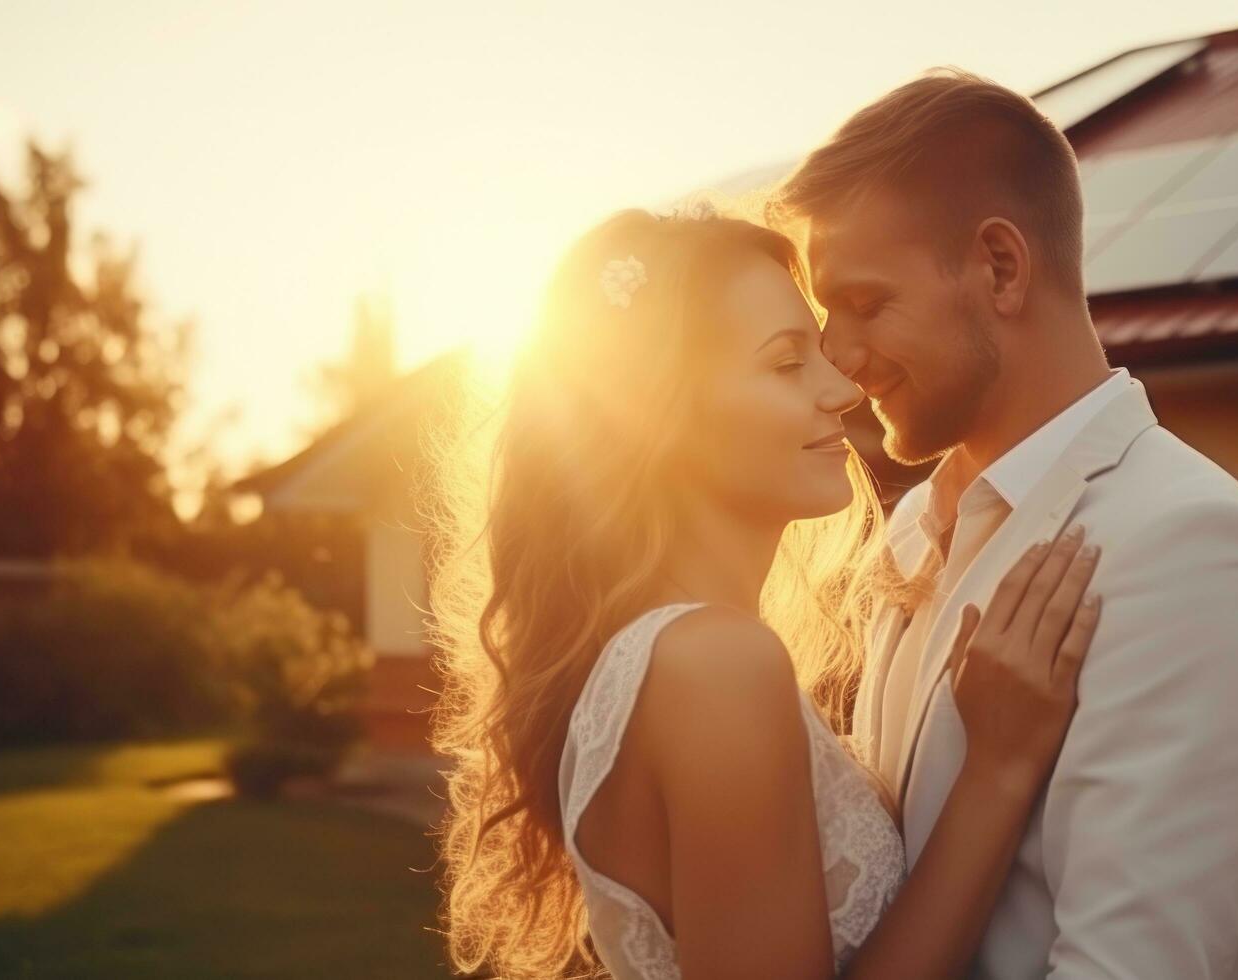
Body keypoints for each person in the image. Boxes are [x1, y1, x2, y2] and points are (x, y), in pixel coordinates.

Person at [427, 207, 1105, 979]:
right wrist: (997, 771)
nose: (841, 389)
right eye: (787, 364)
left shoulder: (674, 654)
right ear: (656, 417)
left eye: (819, 353)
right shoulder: (712, 665)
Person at [771, 67, 1238, 980]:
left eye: (866, 304)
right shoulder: (914, 527)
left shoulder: (1186, 550)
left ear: (1000, 266)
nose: (838, 356)